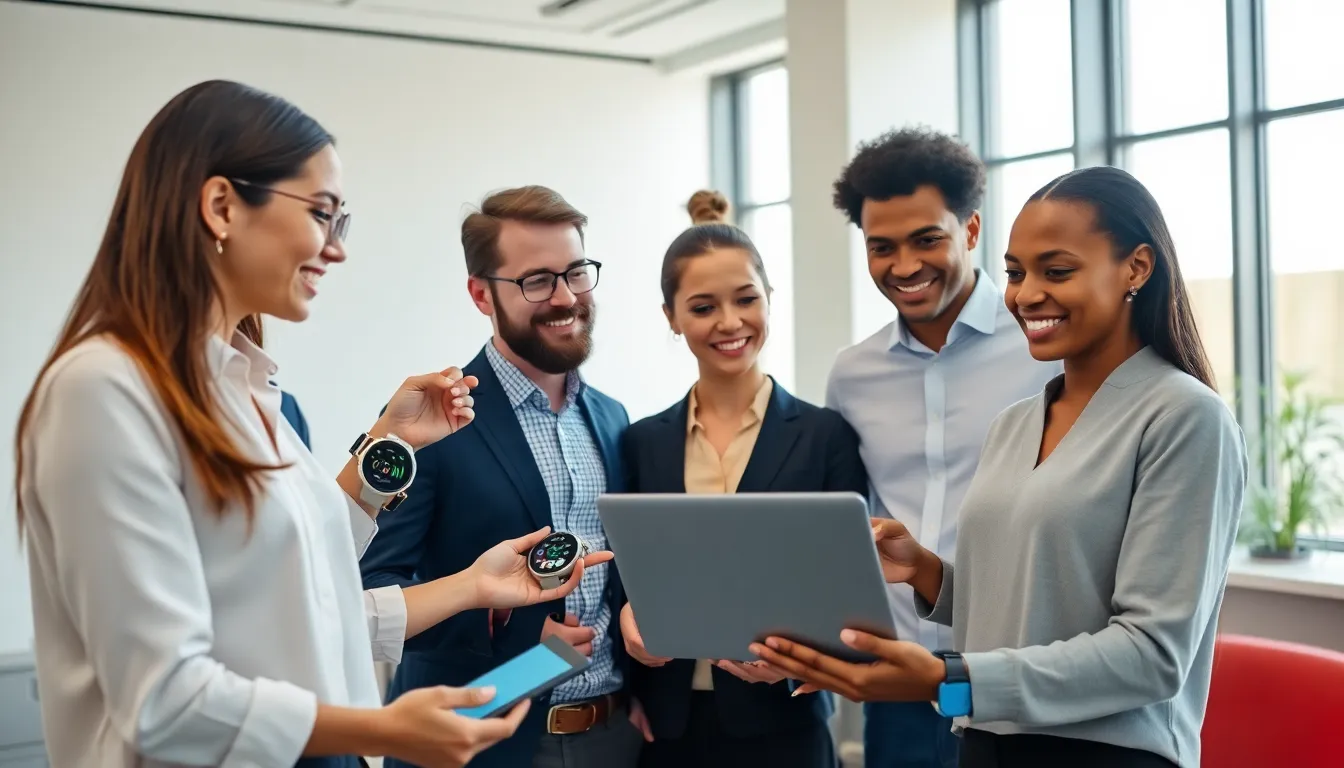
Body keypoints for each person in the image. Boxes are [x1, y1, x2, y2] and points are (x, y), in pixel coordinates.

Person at [13, 80, 613, 768]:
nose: (337, 248)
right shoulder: (105, 391)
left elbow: (310, 607)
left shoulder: (251, 392)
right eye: (323, 214)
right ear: (221, 207)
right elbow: (164, 701)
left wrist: (473, 583)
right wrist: (380, 731)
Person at [751, 166, 1247, 768]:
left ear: (1136, 269)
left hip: (1108, 753)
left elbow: (1152, 655)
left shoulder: (1184, 417)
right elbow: (1027, 606)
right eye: (1015, 273)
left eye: (1056, 271)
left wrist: (945, 676)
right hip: (990, 742)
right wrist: (928, 572)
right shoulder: (1017, 421)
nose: (1026, 294)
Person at [360, 186, 638, 768]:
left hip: (612, 736)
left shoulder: (613, 419)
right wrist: (520, 645)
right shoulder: (433, 419)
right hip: (474, 742)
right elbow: (371, 588)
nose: (565, 297)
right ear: (481, 294)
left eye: (576, 273)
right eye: (537, 281)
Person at [821, 127, 1060, 767]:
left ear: (972, 230)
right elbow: (847, 523)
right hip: (896, 678)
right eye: (882, 247)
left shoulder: (1045, 348)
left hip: (1014, 672)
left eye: (927, 239)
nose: (904, 266)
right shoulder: (851, 375)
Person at [617, 191, 867, 768]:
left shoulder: (826, 435)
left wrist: (803, 657)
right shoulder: (644, 442)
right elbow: (628, 572)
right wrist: (630, 626)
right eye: (703, 307)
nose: (730, 323)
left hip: (785, 725)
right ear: (671, 318)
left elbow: (849, 580)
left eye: (746, 300)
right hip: (670, 728)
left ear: (770, 300)